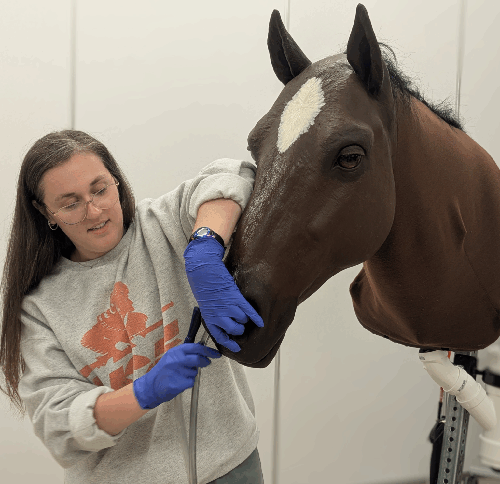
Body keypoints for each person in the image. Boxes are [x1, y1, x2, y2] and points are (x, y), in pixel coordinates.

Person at [0, 130, 265, 483]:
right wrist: (143, 393)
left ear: (117, 181)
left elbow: (232, 174)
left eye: (100, 189)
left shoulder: (165, 223)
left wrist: (204, 249)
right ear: (45, 212)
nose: (94, 210)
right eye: (70, 203)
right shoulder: (40, 306)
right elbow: (58, 423)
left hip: (231, 466)